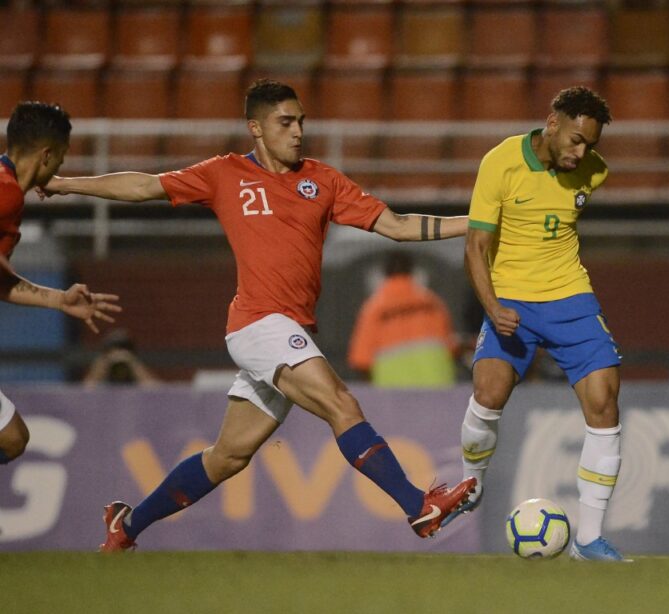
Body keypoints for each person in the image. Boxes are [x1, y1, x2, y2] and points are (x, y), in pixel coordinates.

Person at [44, 79, 476, 551]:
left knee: (228, 456)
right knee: (341, 404)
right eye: (285, 122)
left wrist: (476, 223)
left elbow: (395, 225)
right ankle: (418, 506)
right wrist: (66, 184)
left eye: (301, 122)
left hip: (290, 329)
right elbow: (145, 185)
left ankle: (126, 526)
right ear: (255, 127)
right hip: (258, 323)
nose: (297, 132)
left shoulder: (323, 181)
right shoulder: (224, 174)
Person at [445, 86, 628, 562]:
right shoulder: (499, 163)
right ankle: (472, 483)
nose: (580, 152)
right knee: (488, 393)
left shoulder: (594, 171)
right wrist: (492, 307)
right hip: (510, 300)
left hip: (570, 296)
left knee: (605, 402)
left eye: (589, 144)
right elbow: (475, 248)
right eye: (574, 139)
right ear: (552, 122)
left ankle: (588, 539)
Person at [1, 101, 122, 465]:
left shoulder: (10, 195)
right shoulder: (4, 191)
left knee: (13, 439)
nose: (61, 167)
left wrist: (58, 301)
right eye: (62, 157)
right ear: (46, 155)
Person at [347, 250, 458, 388]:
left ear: (384, 273)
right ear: (413, 270)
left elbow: (361, 361)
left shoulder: (374, 308)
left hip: (394, 394)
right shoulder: (432, 302)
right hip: (438, 386)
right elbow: (450, 347)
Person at [82, 328, 160, 388]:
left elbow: (156, 393)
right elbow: (84, 394)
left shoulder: (136, 372)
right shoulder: (102, 372)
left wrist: (132, 363)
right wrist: (101, 368)